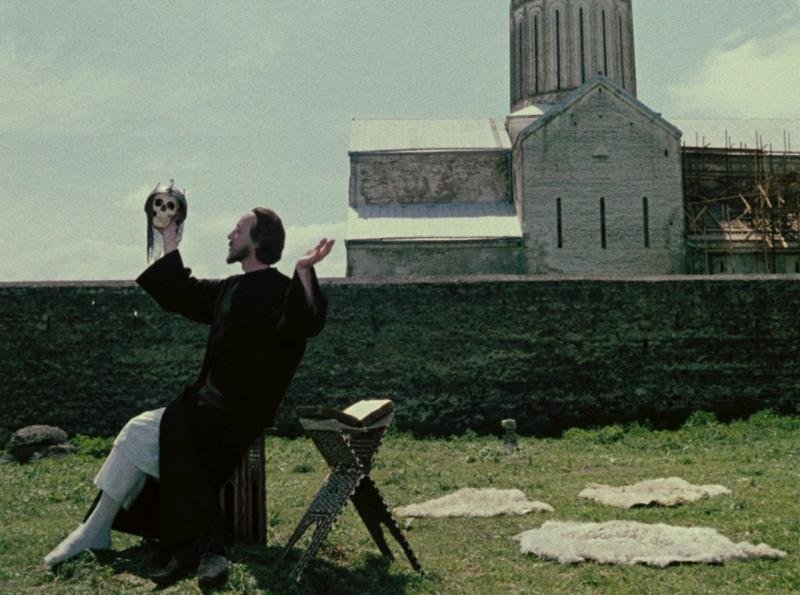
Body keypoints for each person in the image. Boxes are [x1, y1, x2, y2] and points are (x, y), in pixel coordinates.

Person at [44, 203, 334, 588]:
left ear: (257, 241)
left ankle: (99, 531)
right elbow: (182, 292)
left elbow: (307, 320)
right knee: (146, 434)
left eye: (238, 230)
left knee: (142, 431)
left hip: (238, 415)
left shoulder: (283, 292)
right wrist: (168, 237)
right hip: (206, 408)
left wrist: (304, 270)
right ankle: (99, 531)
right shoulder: (230, 289)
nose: (230, 235)